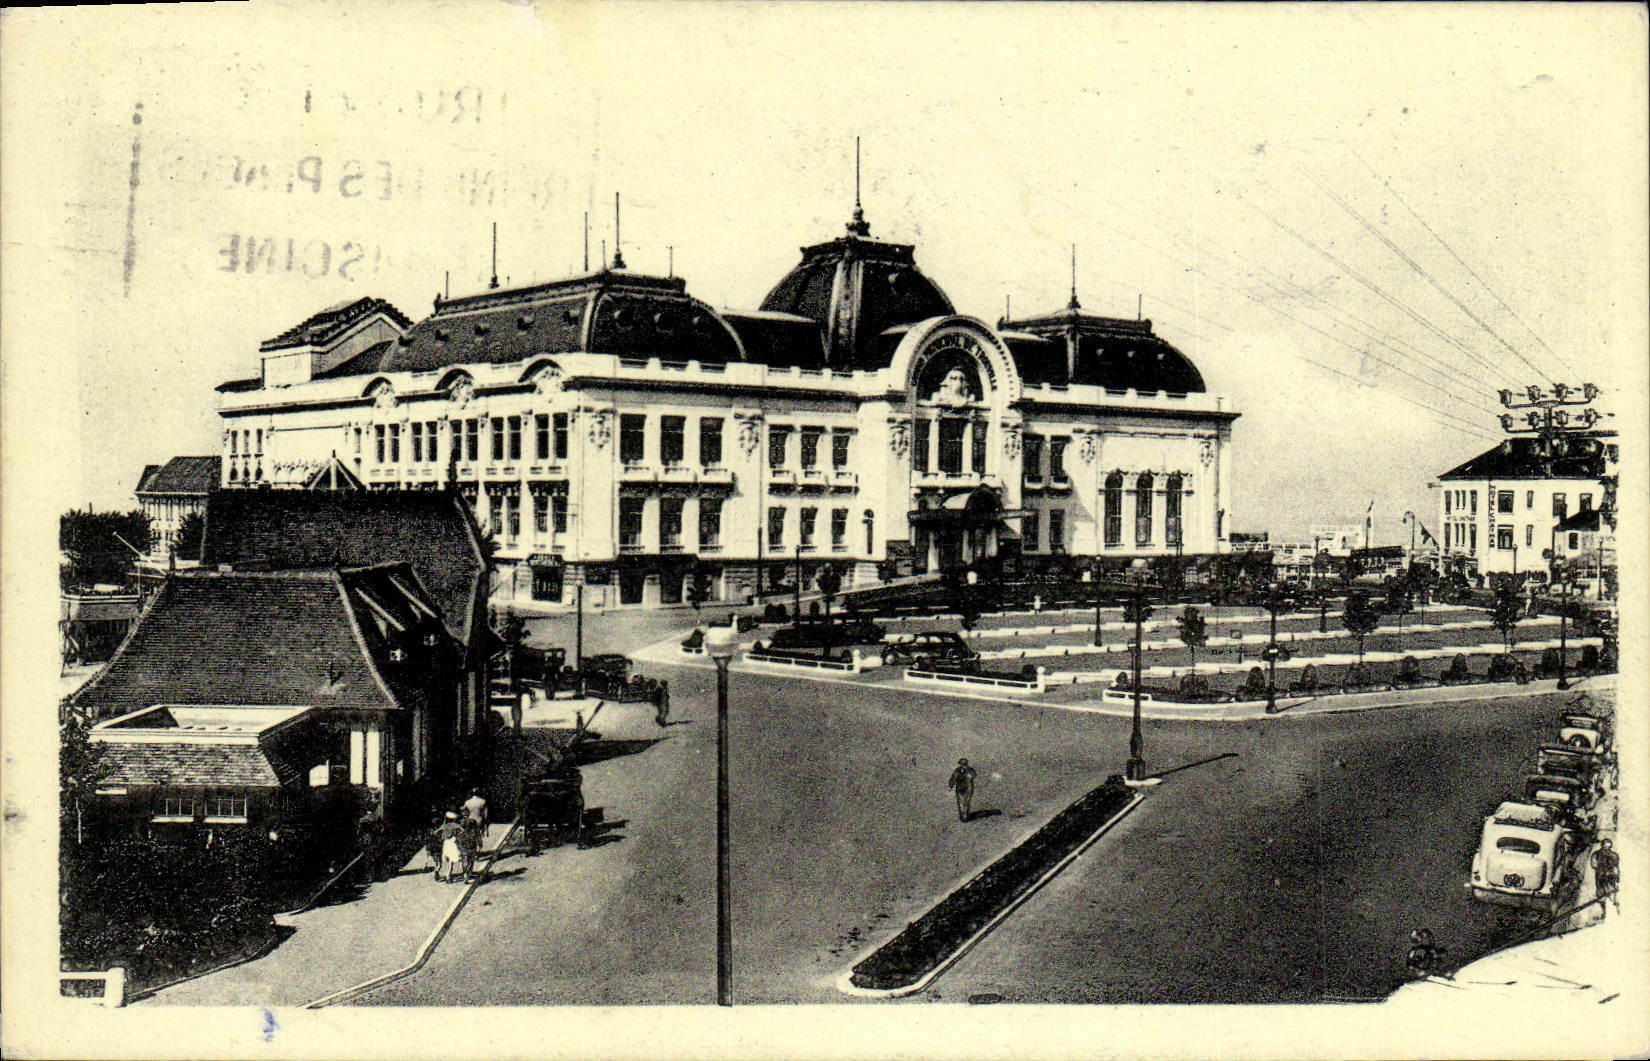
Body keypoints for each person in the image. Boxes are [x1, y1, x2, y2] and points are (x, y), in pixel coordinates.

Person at [436, 812, 464, 883]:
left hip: (445, 843)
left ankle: (446, 874)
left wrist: (441, 837)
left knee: (446, 860)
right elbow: (462, 830)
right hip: (452, 842)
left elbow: (436, 832)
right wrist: (456, 834)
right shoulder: (455, 825)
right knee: (451, 861)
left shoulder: (444, 825)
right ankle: (448, 876)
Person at [1593, 839, 1619, 913]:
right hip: (1601, 877)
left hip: (1609, 878)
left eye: (1608, 847)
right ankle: (1604, 912)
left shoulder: (1614, 856)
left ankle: (1615, 912)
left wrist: (1616, 878)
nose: (1606, 849)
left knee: (1611, 894)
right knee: (1601, 895)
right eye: (1605, 846)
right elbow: (1594, 864)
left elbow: (1615, 868)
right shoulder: (1597, 854)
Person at [948, 758, 977, 822]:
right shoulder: (957, 771)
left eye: (964, 764)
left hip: (968, 788)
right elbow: (953, 778)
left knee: (966, 802)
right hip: (959, 788)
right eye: (961, 764)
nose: (963, 766)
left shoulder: (970, 770)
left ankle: (965, 816)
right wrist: (951, 785)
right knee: (961, 802)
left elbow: (974, 775)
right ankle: (962, 816)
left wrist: (970, 776)